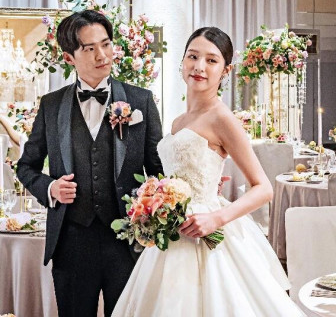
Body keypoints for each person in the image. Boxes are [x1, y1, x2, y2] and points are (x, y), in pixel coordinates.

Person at [111, 27, 304, 316]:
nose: (199, 66)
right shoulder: (178, 121)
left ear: (225, 71)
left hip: (207, 231)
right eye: (193, 56)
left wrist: (217, 218)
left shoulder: (222, 118)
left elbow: (264, 188)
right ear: (182, 62)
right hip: (174, 231)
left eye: (211, 60)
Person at [16, 10, 163, 317]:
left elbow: (158, 170)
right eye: (89, 48)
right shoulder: (51, 105)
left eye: (106, 44)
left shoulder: (141, 101)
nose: (102, 55)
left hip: (127, 242)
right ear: (69, 57)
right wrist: (51, 188)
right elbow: (26, 166)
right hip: (71, 241)